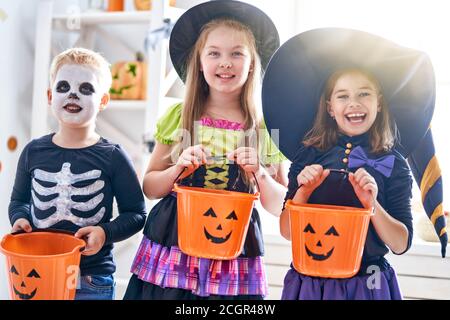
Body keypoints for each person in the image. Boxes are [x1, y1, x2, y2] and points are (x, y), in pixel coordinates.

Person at [124, 0, 287, 300]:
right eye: (214, 53)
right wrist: (177, 170)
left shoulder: (264, 128)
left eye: (237, 53)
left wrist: (261, 174)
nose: (225, 62)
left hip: (234, 249)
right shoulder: (180, 117)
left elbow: (281, 206)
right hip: (174, 244)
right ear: (199, 61)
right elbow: (150, 187)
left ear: (253, 62)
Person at [262, 28, 441, 299]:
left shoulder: (393, 163)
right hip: (312, 282)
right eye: (343, 96)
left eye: (364, 94)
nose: (353, 103)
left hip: (368, 283)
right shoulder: (308, 154)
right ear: (330, 107)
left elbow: (400, 243)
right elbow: (288, 231)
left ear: (379, 103)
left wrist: (372, 205)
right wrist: (304, 191)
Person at [8, 47, 147, 300]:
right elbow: (19, 201)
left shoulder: (113, 155)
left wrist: (105, 232)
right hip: (40, 272)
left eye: (86, 89)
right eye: (63, 87)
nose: (72, 94)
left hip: (91, 279)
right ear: (50, 96)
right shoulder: (32, 151)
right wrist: (20, 218)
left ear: (103, 101)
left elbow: (137, 214)